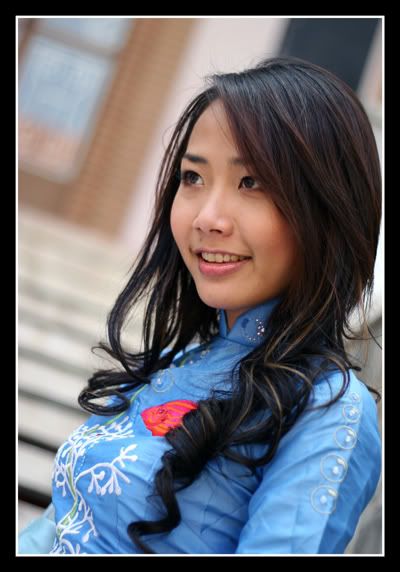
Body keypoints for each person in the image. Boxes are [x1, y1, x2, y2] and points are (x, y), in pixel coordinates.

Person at [18, 56, 382, 555]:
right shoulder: (176, 364)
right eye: (193, 177)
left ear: (327, 210)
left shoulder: (327, 412)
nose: (208, 217)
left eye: (251, 182)